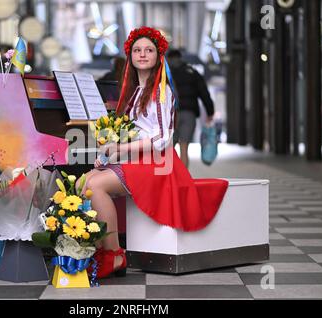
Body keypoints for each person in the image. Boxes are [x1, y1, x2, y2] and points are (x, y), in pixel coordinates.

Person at [76, 27, 228, 279]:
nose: (142, 54)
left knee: (95, 186)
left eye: (149, 50)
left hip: (160, 165)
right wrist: (108, 154)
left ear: (159, 56)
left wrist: (119, 149)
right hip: (140, 161)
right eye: (137, 50)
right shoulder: (135, 92)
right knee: (87, 180)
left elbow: (162, 138)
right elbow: (135, 134)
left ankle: (114, 254)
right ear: (130, 56)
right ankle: (104, 250)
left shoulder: (161, 91)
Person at [167, 49, 214, 168]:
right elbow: (204, 93)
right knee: (184, 147)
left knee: (168, 148)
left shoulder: (165, 73)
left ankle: (170, 178)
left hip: (170, 115)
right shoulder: (192, 72)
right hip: (189, 113)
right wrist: (210, 111)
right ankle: (184, 179)